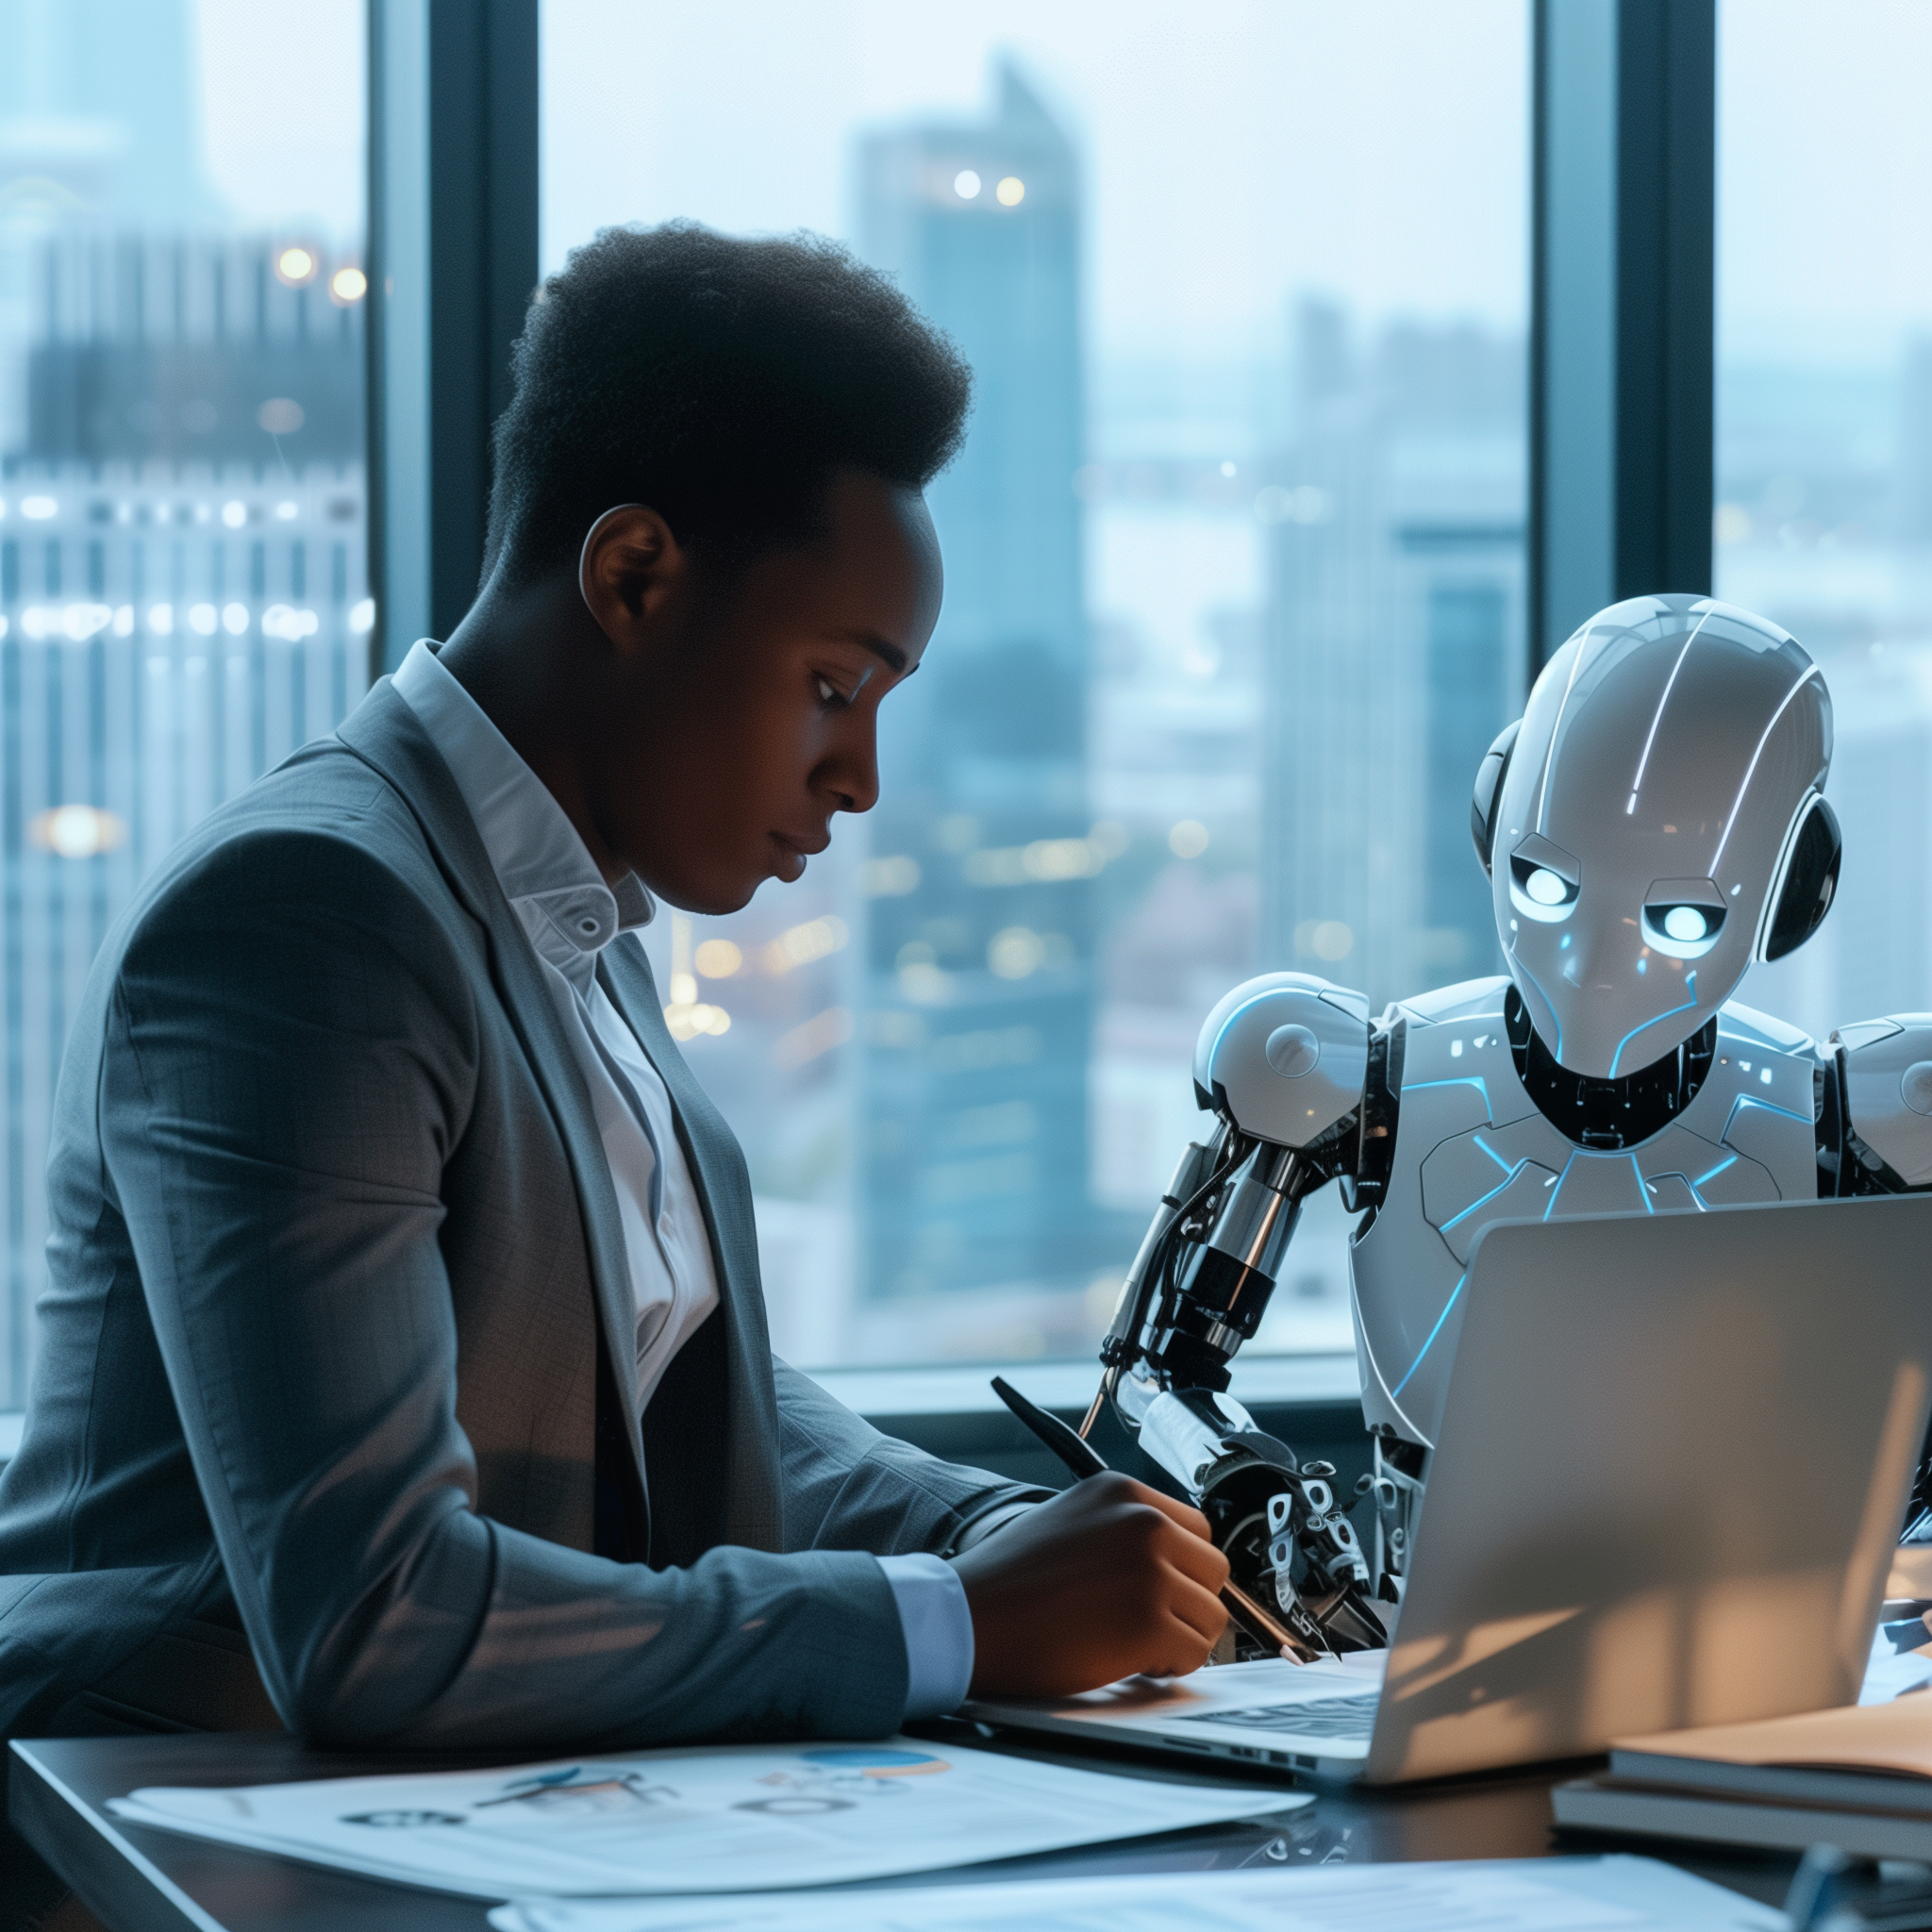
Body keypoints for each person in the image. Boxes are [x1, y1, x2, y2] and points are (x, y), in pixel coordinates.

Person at [0, 224, 1229, 1926]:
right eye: (833, 687)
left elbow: (699, 1388)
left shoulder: (578, 928)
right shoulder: (309, 918)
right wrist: (947, 1623)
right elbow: (373, 1616)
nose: (860, 776)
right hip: (178, 1848)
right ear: (636, 576)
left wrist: (989, 1536)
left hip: (487, 1828)